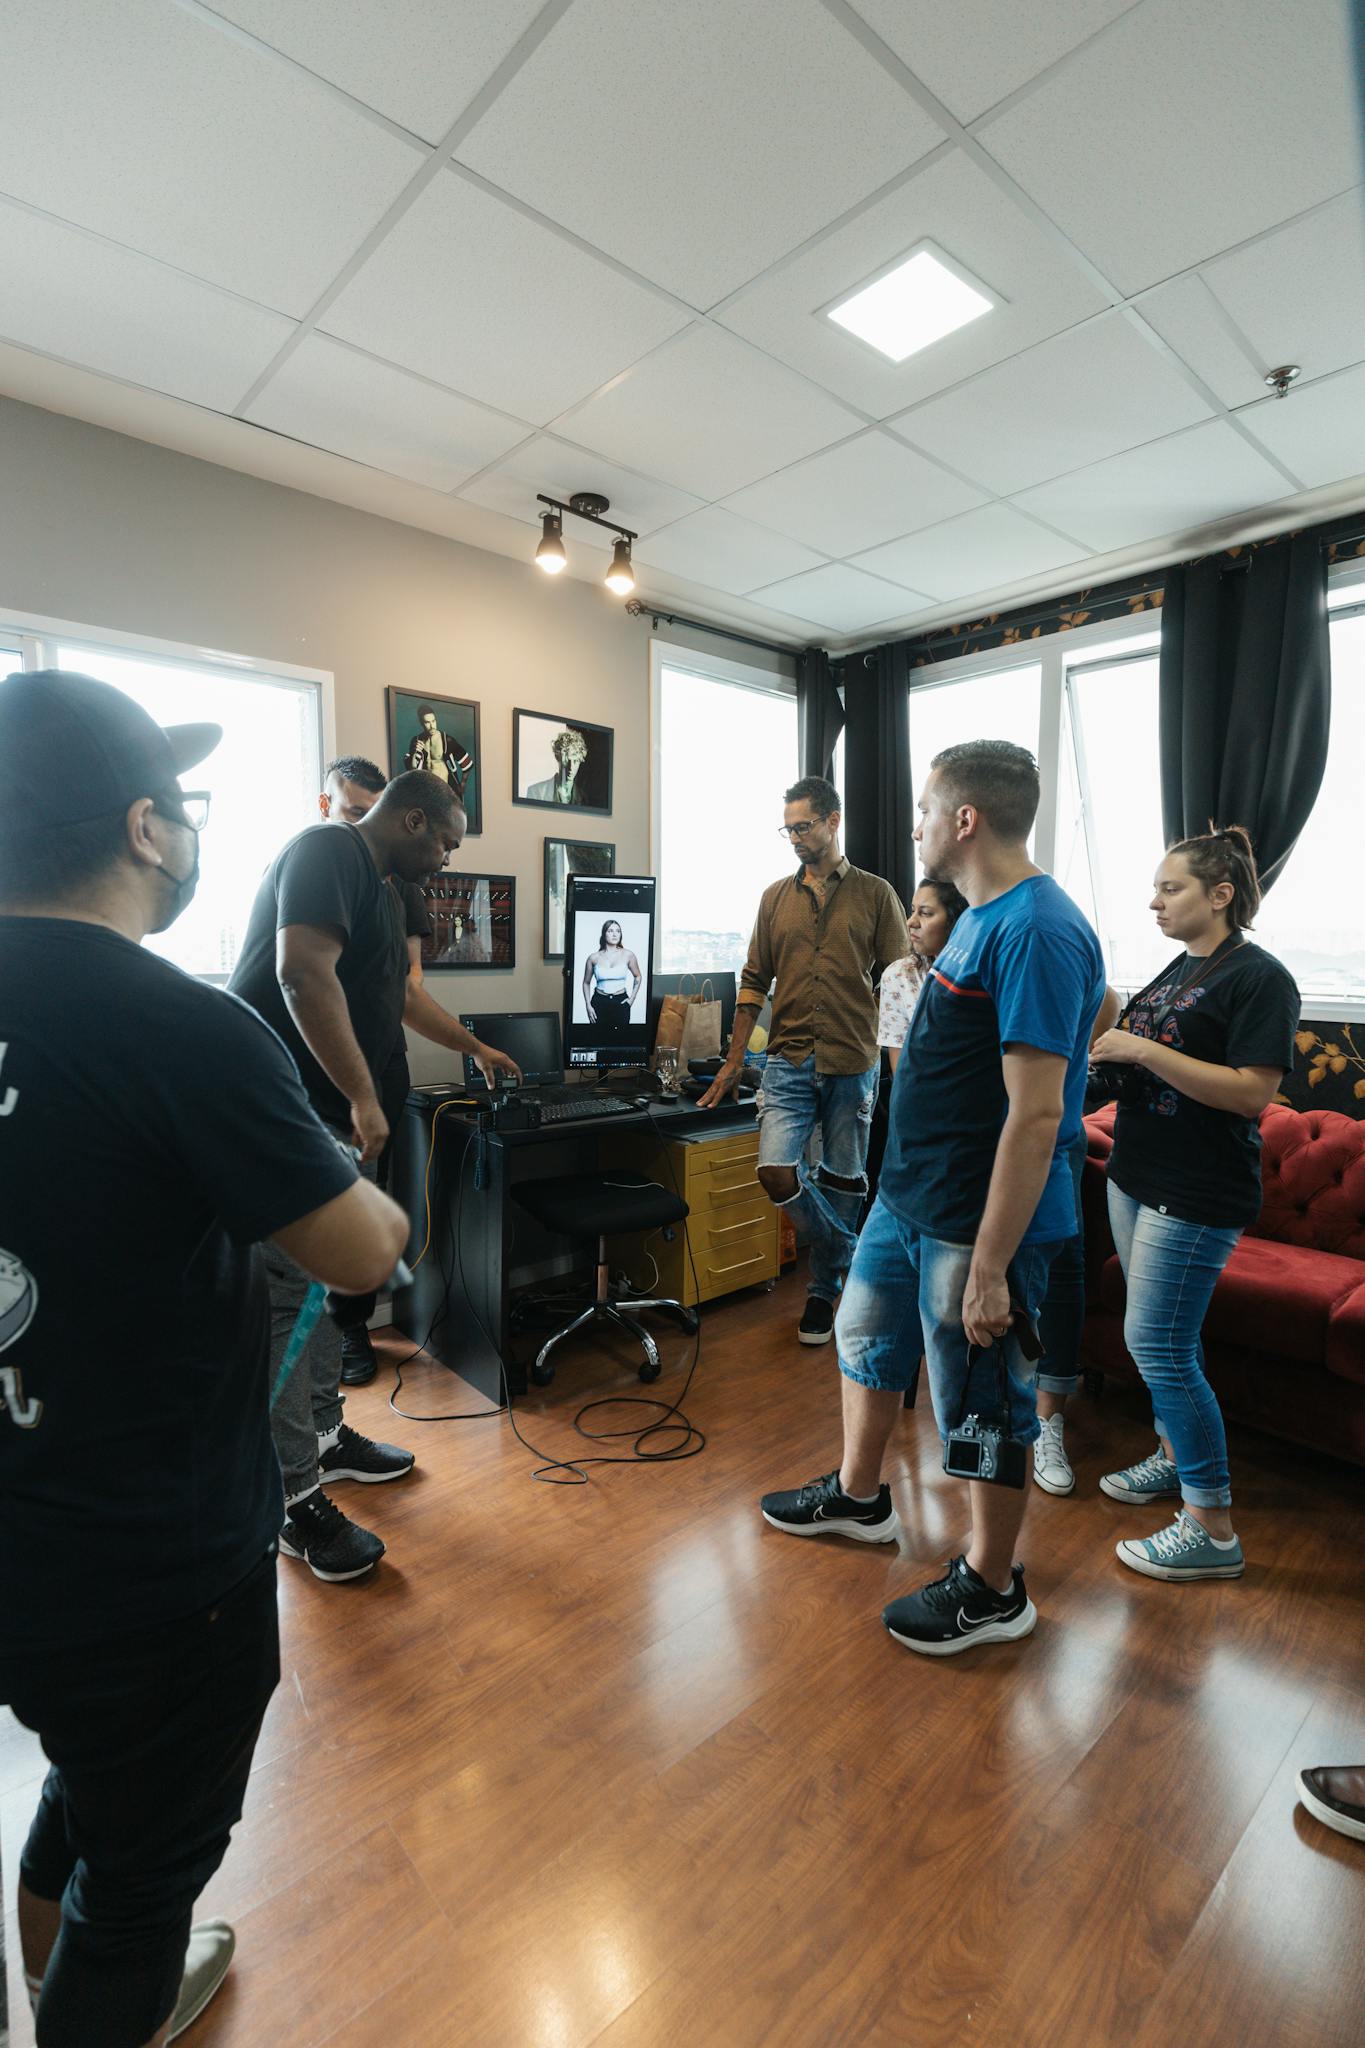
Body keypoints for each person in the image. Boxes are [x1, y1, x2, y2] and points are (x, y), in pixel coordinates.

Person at [0, 670, 408, 2048]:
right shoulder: (178, 1026)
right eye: (183, 810)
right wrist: (381, 1189)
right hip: (152, 1565)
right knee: (143, 1881)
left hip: (21, 1538)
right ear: (145, 831)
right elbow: (360, 1256)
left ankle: (63, 1989)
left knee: (82, 1779)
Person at [760, 740, 1106, 1656]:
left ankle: (994, 1587)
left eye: (922, 811)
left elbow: (1035, 1117)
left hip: (975, 1224)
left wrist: (991, 1267)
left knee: (980, 1404)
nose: (910, 825)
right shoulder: (983, 920)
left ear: (964, 820)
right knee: (866, 1341)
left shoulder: (1035, 927)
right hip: (908, 1199)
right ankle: (860, 1496)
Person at [227, 769, 519, 1582]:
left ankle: (324, 1437)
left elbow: (395, 998)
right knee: (289, 1306)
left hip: (339, 1123)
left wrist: (475, 1047)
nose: (448, 860)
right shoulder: (330, 850)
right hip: (285, 1115)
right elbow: (300, 972)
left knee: (326, 1292)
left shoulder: (387, 893)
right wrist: (362, 1098)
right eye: (447, 843)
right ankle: (289, 1501)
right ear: (413, 819)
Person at [1086, 826, 1299, 1581]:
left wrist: (1139, 1048)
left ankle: (1210, 1527)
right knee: (1171, 1340)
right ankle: (1175, 1458)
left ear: (1221, 894)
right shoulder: (1180, 967)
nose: (1153, 902)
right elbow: (1144, 1067)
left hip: (1196, 1190)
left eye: (1169, 888)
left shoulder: (1258, 978)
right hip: (1136, 1175)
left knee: (1159, 1347)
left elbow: (1250, 1094)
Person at [698, 775, 908, 1345]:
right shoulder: (774, 898)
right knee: (774, 1170)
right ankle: (858, 1256)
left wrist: (901, 1065)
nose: (793, 837)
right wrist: (733, 1056)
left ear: (833, 821)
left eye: (803, 826)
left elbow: (900, 984)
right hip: (787, 1059)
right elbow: (752, 980)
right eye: (787, 828)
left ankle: (823, 1294)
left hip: (852, 1056)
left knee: (844, 1176)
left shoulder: (876, 893)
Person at [1029, 976, 1123, 1495]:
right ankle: (988, 1414)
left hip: (1057, 1138)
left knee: (1065, 1268)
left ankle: (1048, 1422)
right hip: (983, 1141)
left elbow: (1105, 998)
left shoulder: (1050, 940)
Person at [877, 876, 968, 1075]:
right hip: (921, 1093)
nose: (911, 922)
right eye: (912, 911)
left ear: (957, 920)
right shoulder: (899, 975)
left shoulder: (980, 971)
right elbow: (900, 1068)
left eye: (925, 913)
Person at [582, 918, 642, 1036]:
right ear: (604, 934)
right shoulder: (593, 958)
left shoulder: (628, 955)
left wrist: (631, 999)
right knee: (598, 1039)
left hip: (620, 1002)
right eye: (610, 931)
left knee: (620, 1039)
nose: (615, 934)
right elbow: (586, 983)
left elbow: (638, 976)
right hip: (599, 1002)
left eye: (618, 931)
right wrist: (588, 1005)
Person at [404, 705, 473, 798]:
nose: (432, 726)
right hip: (427, 792)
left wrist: (463, 783)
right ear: (421, 723)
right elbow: (412, 771)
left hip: (445, 790)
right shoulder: (416, 741)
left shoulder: (447, 740)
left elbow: (467, 762)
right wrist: (414, 753)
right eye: (427, 722)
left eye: (433, 721)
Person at [527, 725, 588, 804]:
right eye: (568, 760)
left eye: (576, 761)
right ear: (557, 757)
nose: (571, 767)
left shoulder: (583, 798)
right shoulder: (536, 792)